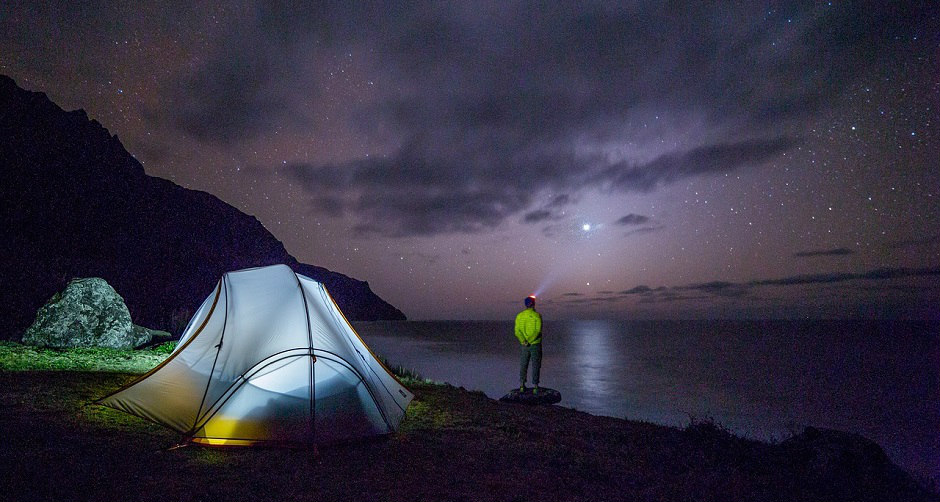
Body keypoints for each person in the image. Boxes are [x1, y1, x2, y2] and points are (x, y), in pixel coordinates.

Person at [514, 295, 543, 394]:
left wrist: (524, 341)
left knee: (523, 364)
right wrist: (530, 341)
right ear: (533, 304)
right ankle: (535, 387)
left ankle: (522, 385)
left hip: (524, 345)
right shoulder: (537, 316)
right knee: (536, 365)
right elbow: (537, 331)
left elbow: (517, 331)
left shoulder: (519, 316)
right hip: (535, 344)